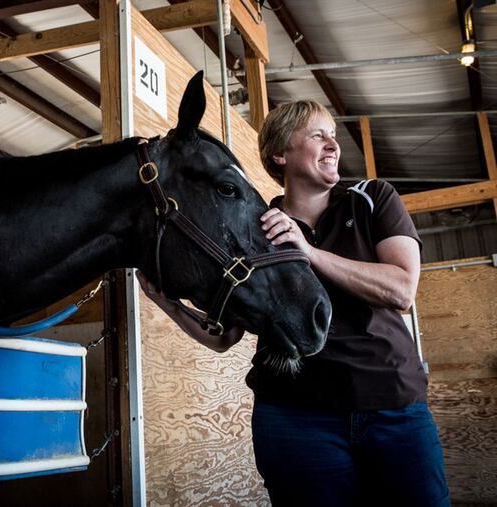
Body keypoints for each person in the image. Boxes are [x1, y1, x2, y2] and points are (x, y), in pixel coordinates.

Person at [137, 99, 449, 506]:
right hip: (294, 417)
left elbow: (402, 289)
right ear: (279, 155)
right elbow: (224, 336)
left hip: (393, 407)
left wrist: (308, 251)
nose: (333, 144)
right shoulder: (255, 225)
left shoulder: (372, 198)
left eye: (333, 136)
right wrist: (164, 302)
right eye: (318, 135)